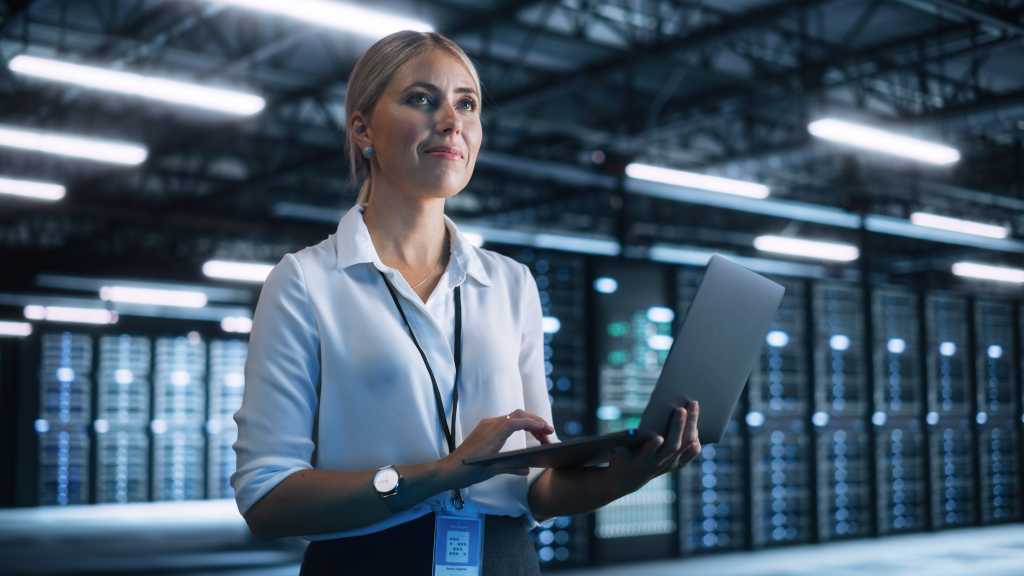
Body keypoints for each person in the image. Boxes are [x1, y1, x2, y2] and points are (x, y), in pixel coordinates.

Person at [230, 30, 702, 575]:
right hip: (369, 563)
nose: (452, 121)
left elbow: (534, 488)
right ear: (363, 128)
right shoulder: (306, 283)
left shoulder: (509, 283)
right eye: (422, 99)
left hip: (505, 560)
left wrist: (631, 474)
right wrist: (444, 472)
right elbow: (265, 499)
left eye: (467, 104)